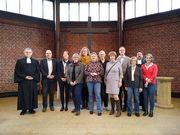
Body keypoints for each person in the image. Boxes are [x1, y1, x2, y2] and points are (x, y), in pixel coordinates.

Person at [14, 48, 40, 115]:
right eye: (26, 52)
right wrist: (25, 76)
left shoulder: (35, 61)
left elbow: (38, 71)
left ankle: (31, 109)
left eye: (29, 52)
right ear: (24, 53)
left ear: (31, 53)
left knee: (32, 94)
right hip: (23, 81)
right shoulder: (20, 61)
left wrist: (33, 77)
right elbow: (17, 71)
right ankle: (24, 109)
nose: (28, 53)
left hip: (32, 81)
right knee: (23, 95)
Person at [104, 51, 123, 117]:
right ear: (109, 57)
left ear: (115, 57)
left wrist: (120, 81)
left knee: (116, 96)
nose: (112, 57)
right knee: (111, 95)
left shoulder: (118, 63)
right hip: (109, 81)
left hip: (116, 81)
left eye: (113, 56)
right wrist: (105, 79)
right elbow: (106, 72)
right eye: (111, 56)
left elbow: (121, 73)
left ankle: (119, 111)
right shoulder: (108, 63)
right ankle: (112, 109)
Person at [116, 46, 130, 112]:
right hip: (118, 79)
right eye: (120, 50)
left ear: (125, 51)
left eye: (123, 50)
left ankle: (125, 106)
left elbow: (129, 69)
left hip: (125, 79)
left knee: (125, 92)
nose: (121, 51)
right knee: (119, 93)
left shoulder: (128, 59)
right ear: (119, 51)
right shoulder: (116, 59)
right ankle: (120, 106)